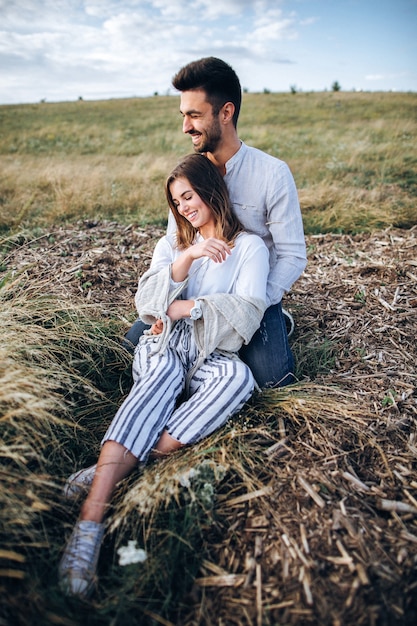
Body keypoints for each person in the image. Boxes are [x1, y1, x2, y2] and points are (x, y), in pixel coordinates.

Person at [58, 153, 269, 598]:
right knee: (158, 381)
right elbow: (148, 304)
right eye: (177, 201)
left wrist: (182, 307)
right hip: (164, 344)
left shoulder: (249, 247)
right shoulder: (171, 246)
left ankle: (107, 470)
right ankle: (89, 528)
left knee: (238, 380)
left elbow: (247, 314)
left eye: (189, 196)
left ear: (211, 190)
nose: (184, 207)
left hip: (210, 351)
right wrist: (189, 256)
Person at [124, 56, 307, 388]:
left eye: (195, 115)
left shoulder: (272, 173)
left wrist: (249, 306)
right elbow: (177, 242)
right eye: (183, 115)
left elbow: (293, 255)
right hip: (193, 292)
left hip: (251, 294)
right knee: (129, 353)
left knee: (272, 380)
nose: (185, 127)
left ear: (226, 112)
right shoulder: (188, 176)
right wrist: (175, 307)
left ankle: (278, 320)